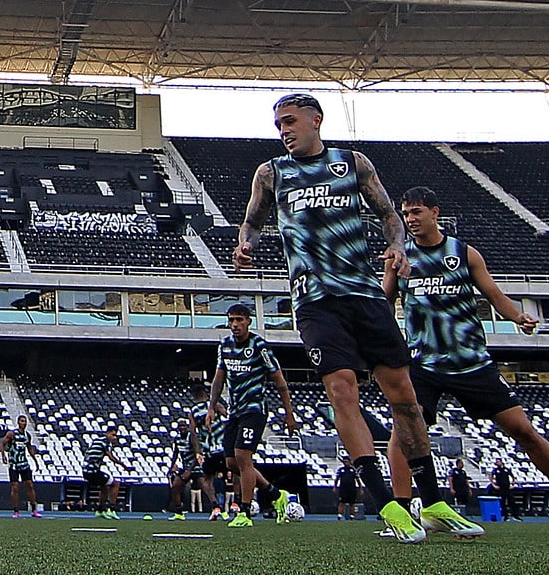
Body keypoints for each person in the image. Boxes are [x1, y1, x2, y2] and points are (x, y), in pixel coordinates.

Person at [233, 93, 429, 543]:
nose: (284, 130)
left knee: (405, 399)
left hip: (364, 294)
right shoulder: (271, 173)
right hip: (315, 300)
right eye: (278, 123)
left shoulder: (352, 163)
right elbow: (253, 221)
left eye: (291, 121)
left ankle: (432, 499)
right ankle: (387, 506)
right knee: (342, 388)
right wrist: (246, 244)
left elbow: (388, 215)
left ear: (316, 120)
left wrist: (398, 246)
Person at [384, 186, 549, 539]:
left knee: (523, 430)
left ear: (435, 212)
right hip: (424, 364)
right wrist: (384, 348)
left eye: (416, 212)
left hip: (472, 363)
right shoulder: (400, 258)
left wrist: (518, 317)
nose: (411, 220)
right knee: (404, 430)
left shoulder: (463, 253)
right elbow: (384, 302)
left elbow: (494, 295)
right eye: (406, 214)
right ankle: (403, 514)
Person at [209, 301, 298, 525]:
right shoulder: (225, 345)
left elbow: (279, 379)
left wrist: (289, 413)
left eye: (239, 320)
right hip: (235, 410)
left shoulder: (260, 346)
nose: (235, 324)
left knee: (242, 456)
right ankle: (277, 495)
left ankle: (245, 512)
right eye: (231, 320)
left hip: (255, 409)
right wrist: (212, 406)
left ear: (248, 321)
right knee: (231, 463)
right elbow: (219, 378)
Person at [165, 413, 211, 519]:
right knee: (175, 487)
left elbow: (197, 454)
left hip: (195, 467)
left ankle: (217, 508)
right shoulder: (177, 439)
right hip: (185, 468)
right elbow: (175, 454)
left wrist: (190, 470)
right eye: (180, 426)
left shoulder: (192, 437)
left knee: (206, 487)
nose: (182, 428)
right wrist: (171, 467)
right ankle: (179, 512)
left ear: (187, 427)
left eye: (184, 426)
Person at [81, 422, 123, 518]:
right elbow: (110, 456)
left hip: (86, 471)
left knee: (104, 486)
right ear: (107, 433)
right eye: (113, 435)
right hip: (93, 471)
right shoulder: (105, 441)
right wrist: (123, 465)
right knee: (116, 484)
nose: (114, 438)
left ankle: (100, 510)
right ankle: (111, 509)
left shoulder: (96, 440)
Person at [4, 415, 41, 518]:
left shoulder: (27, 435)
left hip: (23, 463)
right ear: (18, 422)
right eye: (22, 421)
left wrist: (35, 460)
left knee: (30, 485)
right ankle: (16, 511)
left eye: (25, 421)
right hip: (14, 464)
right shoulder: (12, 434)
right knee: (15, 487)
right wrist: (3, 456)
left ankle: (34, 509)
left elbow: (29, 448)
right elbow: (2, 444)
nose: (23, 423)